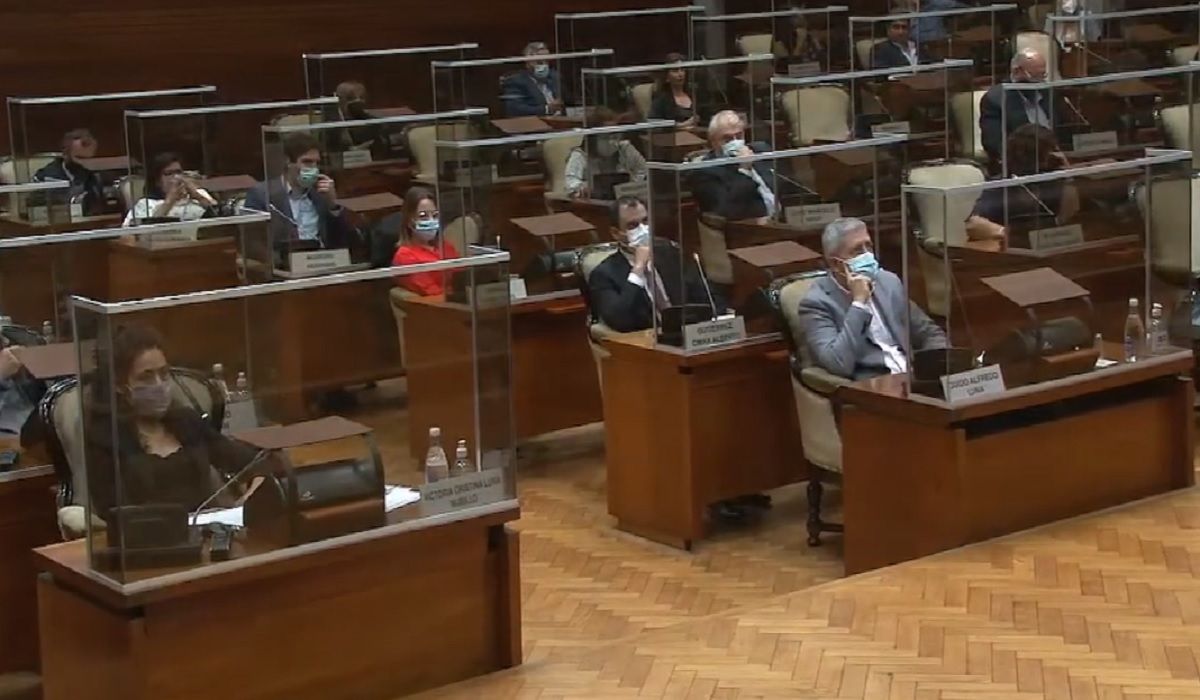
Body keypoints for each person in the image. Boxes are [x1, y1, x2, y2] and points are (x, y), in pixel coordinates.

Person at [85, 324, 259, 523]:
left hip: (208, 532)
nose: (159, 384)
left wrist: (252, 492)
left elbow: (256, 462)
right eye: (146, 377)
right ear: (119, 386)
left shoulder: (187, 422)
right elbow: (113, 513)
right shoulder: (105, 438)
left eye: (164, 373)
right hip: (149, 538)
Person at [799, 217, 947, 380]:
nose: (868, 255)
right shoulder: (816, 303)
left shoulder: (888, 282)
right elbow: (838, 364)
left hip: (914, 377)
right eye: (857, 251)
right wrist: (859, 303)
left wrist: (937, 365)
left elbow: (929, 332)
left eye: (869, 246)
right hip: (875, 384)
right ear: (835, 264)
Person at [587, 195, 718, 333]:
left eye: (645, 221)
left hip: (690, 333)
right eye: (633, 225)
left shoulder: (671, 254)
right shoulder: (603, 275)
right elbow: (619, 320)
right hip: (645, 340)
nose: (643, 229)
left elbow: (708, 297)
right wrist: (638, 269)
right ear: (616, 233)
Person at [243, 132, 356, 254]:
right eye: (307, 162)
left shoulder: (320, 194)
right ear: (288, 161)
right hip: (284, 261)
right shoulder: (262, 194)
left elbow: (341, 241)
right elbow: (252, 243)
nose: (314, 168)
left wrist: (332, 205)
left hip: (321, 259)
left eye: (317, 163)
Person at [966, 124, 1079, 244]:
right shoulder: (999, 187)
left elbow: (1069, 219)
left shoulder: (1054, 182)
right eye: (1051, 153)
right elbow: (973, 224)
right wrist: (1005, 233)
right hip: (1011, 248)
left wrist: (1068, 175)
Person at [979, 48, 1068, 165]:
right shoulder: (995, 100)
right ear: (1017, 72)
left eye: (1042, 75)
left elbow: (1064, 129)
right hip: (1022, 164)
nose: (1040, 81)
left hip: (1057, 159)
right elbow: (995, 144)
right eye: (1034, 77)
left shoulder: (1049, 93)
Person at [689, 110, 777, 222]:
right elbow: (728, 210)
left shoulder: (760, 151)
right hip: (748, 226)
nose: (735, 142)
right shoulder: (704, 172)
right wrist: (744, 169)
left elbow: (783, 187)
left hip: (781, 218)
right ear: (713, 141)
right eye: (727, 139)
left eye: (739, 136)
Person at [564, 108, 647, 198]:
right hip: (595, 201)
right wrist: (584, 188)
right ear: (593, 137)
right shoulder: (580, 155)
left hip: (625, 199)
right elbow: (570, 182)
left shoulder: (624, 148)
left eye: (615, 135)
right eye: (606, 136)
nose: (611, 141)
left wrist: (633, 185)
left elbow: (645, 171)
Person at [392, 187, 460, 296]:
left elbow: (464, 279)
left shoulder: (445, 246)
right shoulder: (405, 256)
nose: (431, 221)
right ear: (409, 221)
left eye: (435, 215)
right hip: (437, 304)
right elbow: (431, 292)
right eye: (423, 216)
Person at [122, 152, 216, 226]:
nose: (176, 177)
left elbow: (219, 215)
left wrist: (197, 196)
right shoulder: (146, 204)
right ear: (157, 181)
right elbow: (143, 232)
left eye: (178, 172)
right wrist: (170, 201)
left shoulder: (200, 195)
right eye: (169, 174)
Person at [32, 128, 106, 215]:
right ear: (65, 154)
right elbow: (35, 207)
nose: (84, 163)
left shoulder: (94, 178)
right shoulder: (46, 177)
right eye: (80, 158)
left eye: (89, 159)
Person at [502, 42, 564, 117]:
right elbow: (514, 109)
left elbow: (568, 101)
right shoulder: (516, 81)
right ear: (528, 62)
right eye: (539, 62)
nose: (544, 65)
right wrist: (547, 109)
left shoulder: (554, 76)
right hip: (536, 121)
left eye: (546, 61)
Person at [648, 53, 698, 127]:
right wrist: (681, 126)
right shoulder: (661, 99)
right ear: (667, 77)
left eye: (682, 70)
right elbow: (653, 123)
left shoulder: (693, 93)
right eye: (675, 70)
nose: (680, 74)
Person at [334, 81, 379, 150]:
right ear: (339, 99)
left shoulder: (374, 123)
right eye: (350, 98)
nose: (358, 101)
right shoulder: (332, 124)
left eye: (362, 97)